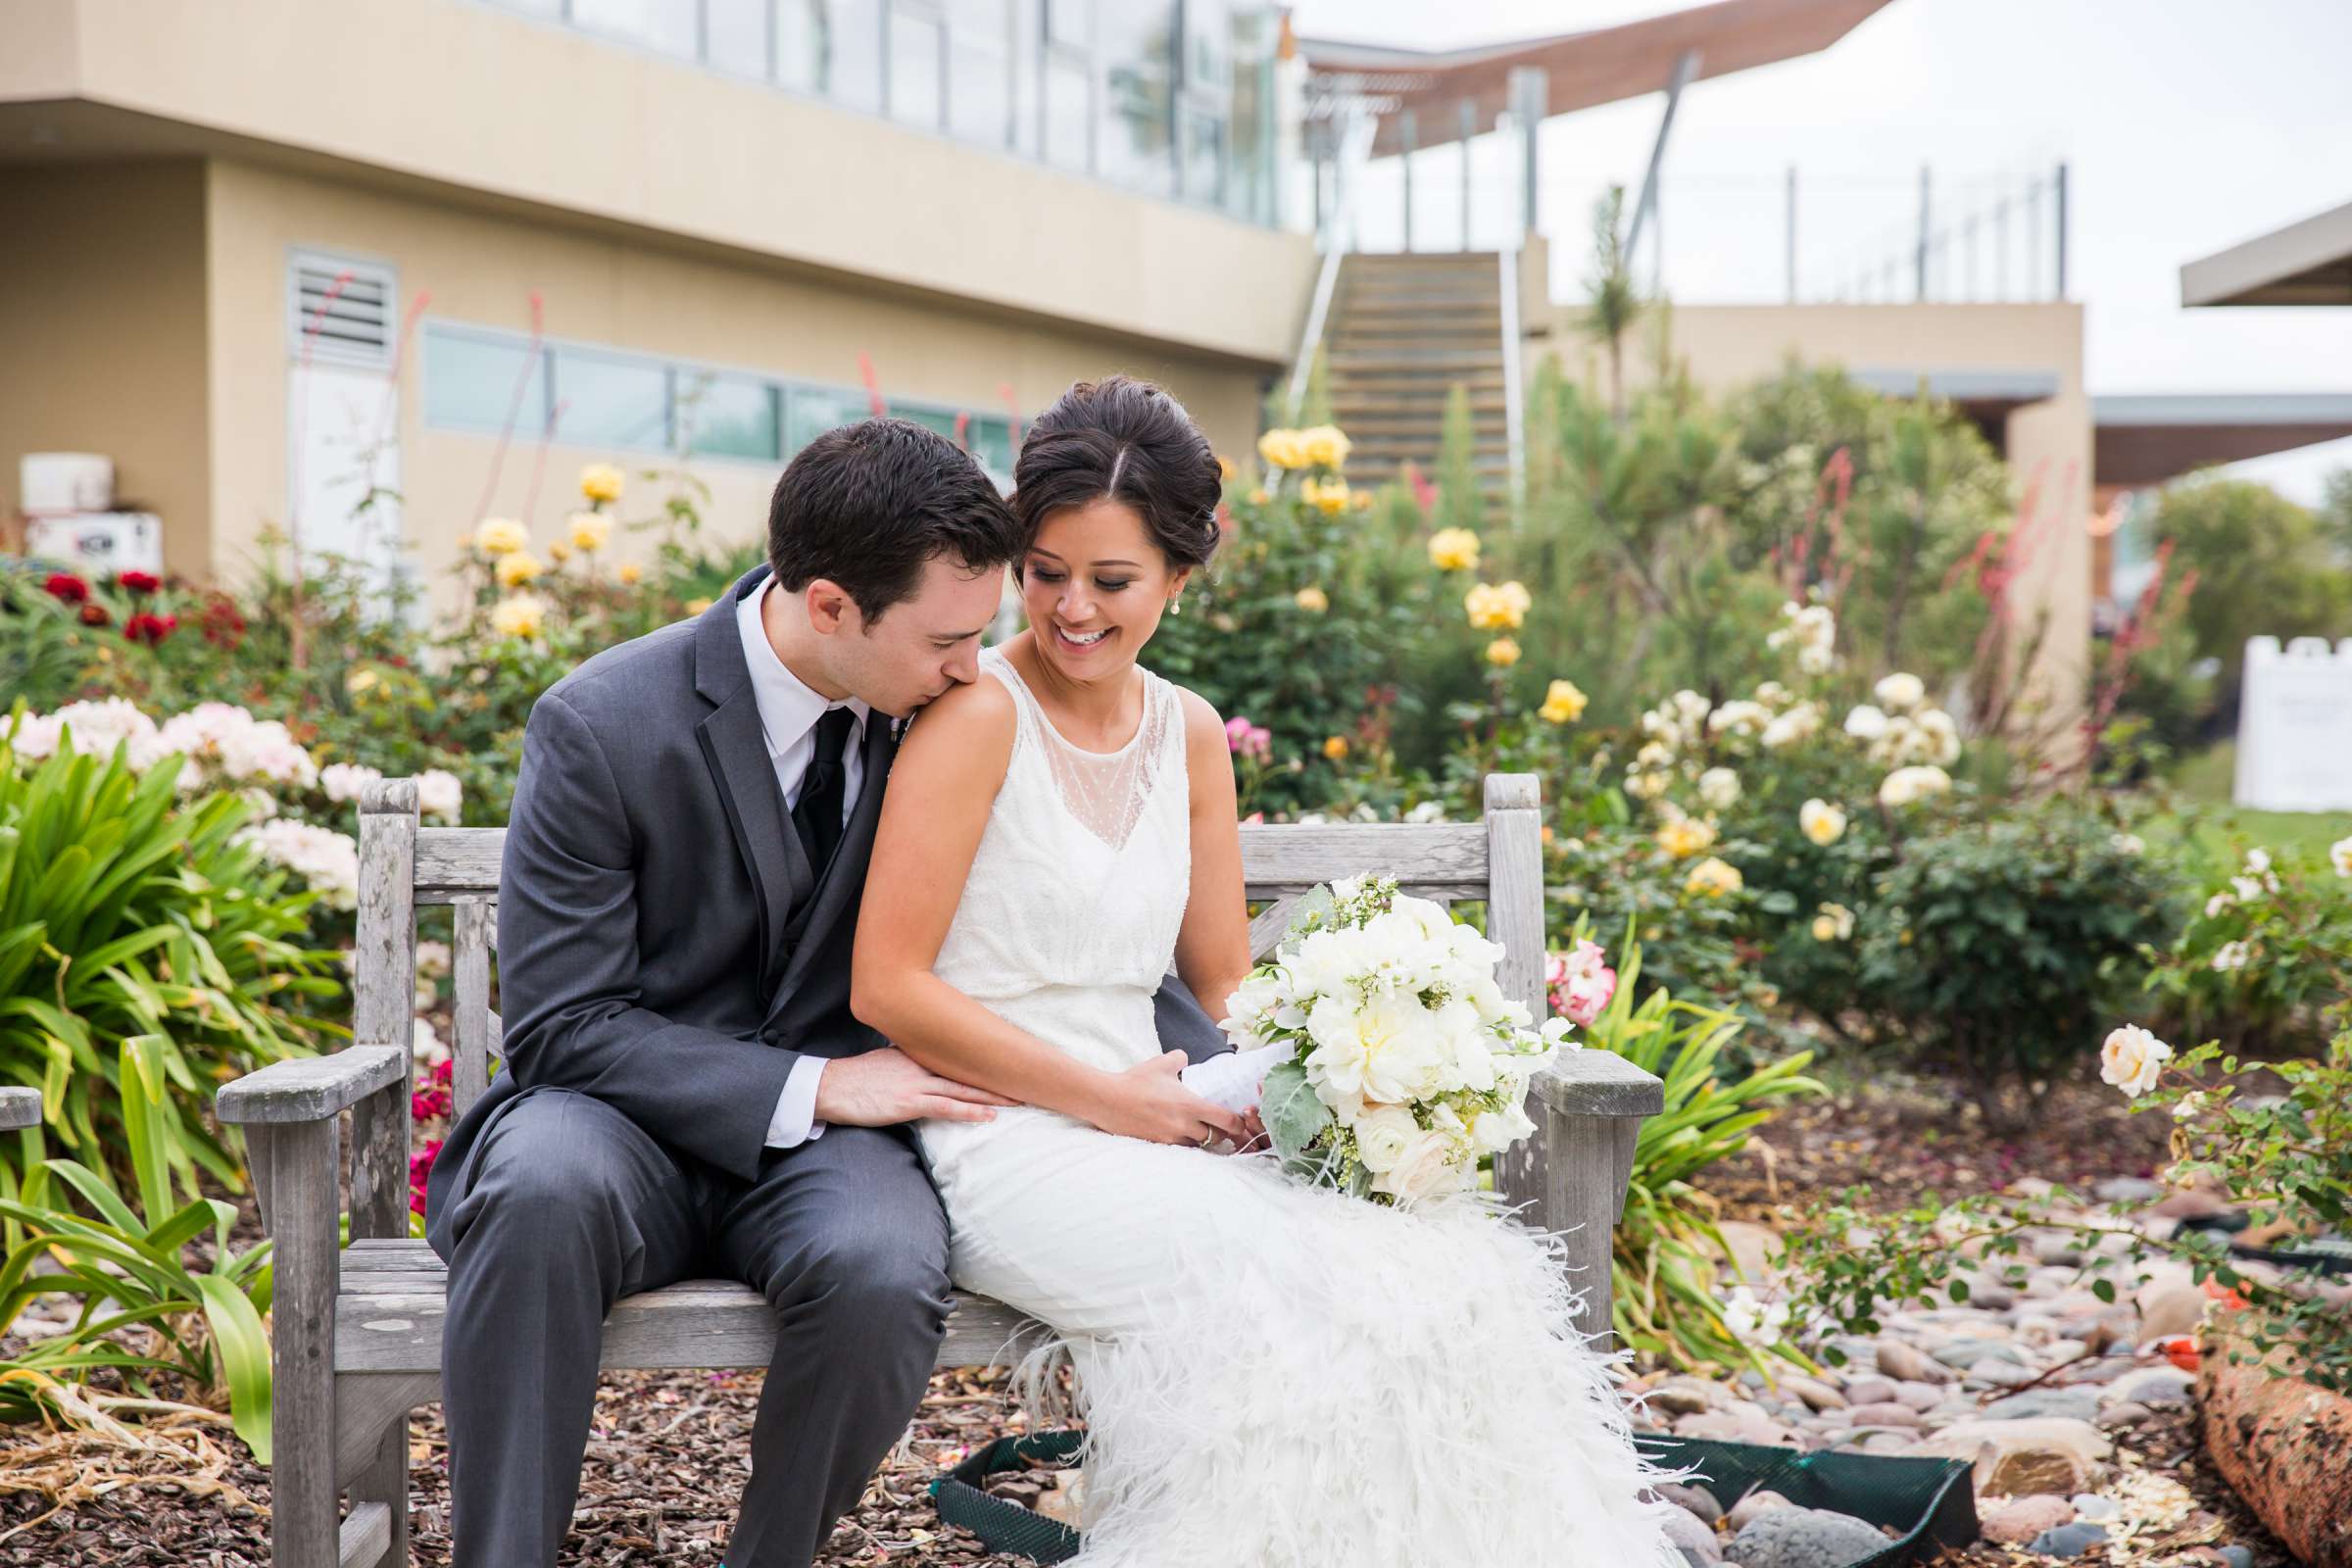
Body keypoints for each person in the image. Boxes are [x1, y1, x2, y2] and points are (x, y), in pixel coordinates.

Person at [852, 375, 1684, 1565]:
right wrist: (1114, 1103)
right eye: (1044, 572)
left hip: (1162, 1107)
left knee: (1440, 1266)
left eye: (1113, 580)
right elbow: (888, 984)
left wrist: (1350, 1066)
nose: (1069, 609)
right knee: (1295, 1281)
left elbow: (1231, 984)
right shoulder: (978, 715)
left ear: (1182, 579)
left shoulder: (1187, 731)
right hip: (1004, 1128)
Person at [422, 417, 1234, 1568]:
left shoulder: (936, 716)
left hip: (841, 1145)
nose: (976, 666)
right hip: (617, 1117)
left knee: (876, 1265)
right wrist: (817, 1081)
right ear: (831, 607)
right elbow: (562, 1024)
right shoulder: (603, 724)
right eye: (950, 640)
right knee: (539, 1190)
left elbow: (1081, 917)